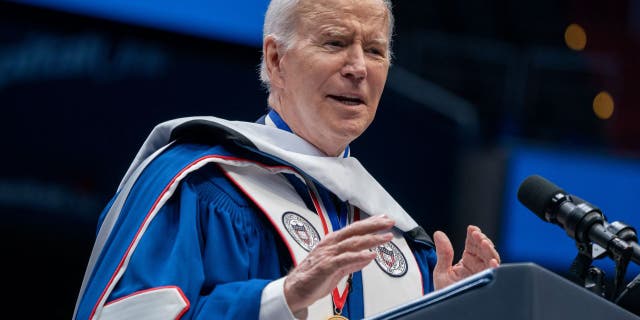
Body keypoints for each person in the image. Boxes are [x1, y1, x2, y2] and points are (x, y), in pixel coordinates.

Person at [73, 0, 501, 319]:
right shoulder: (196, 184)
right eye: (335, 42)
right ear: (276, 61)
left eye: (374, 50)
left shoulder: (402, 244)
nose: (358, 68)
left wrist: (448, 307)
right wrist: (282, 299)